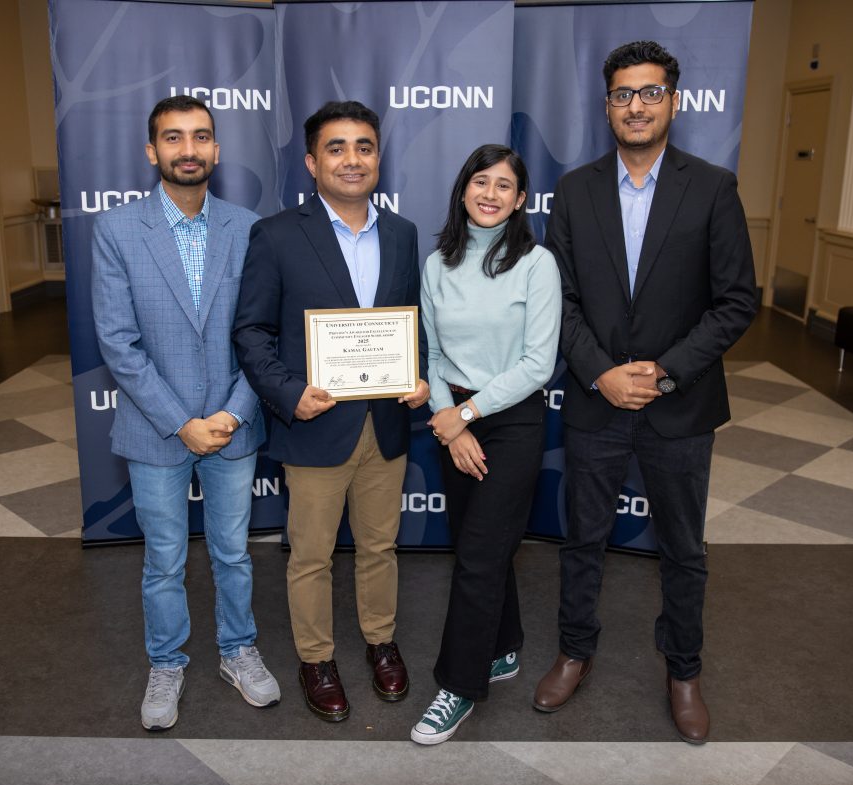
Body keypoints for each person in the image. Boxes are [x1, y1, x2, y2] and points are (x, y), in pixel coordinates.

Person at [533, 41, 757, 745]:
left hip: (680, 403)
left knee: (684, 549)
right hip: (597, 397)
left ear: (675, 101)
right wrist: (601, 370)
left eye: (650, 92)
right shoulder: (574, 190)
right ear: (606, 106)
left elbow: (735, 301)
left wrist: (660, 371)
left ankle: (684, 669)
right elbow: (558, 300)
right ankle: (575, 650)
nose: (636, 105)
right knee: (583, 539)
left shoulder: (714, 187)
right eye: (624, 94)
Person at [232, 100, 430, 722]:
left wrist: (418, 373)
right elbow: (252, 332)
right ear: (313, 163)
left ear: (378, 158)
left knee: (380, 548)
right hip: (316, 426)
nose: (353, 159)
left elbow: (410, 321)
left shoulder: (402, 233)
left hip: (386, 425)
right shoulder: (277, 234)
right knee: (311, 555)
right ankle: (316, 658)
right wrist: (289, 393)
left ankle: (380, 642)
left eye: (365, 147)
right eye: (338, 148)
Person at [91, 95, 280, 731]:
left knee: (232, 552)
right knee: (164, 559)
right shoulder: (117, 231)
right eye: (174, 138)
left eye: (201, 137)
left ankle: (237, 651)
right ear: (153, 152)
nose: (189, 149)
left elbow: (262, 335)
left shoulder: (249, 227)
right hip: (155, 430)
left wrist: (230, 412)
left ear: (217, 150)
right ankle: (167, 662)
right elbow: (118, 342)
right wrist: (182, 422)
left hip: (233, 423)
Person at [409, 145, 560, 745]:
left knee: (476, 556)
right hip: (455, 418)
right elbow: (434, 353)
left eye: (505, 186)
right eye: (481, 181)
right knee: (485, 546)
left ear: (521, 199)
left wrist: (466, 414)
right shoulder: (436, 263)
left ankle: (458, 685)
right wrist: (450, 420)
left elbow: (538, 363)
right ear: (463, 188)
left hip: (514, 419)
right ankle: (504, 646)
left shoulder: (536, 263)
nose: (491, 194)